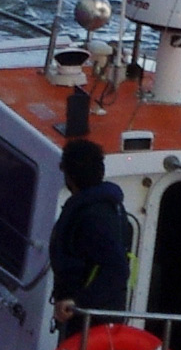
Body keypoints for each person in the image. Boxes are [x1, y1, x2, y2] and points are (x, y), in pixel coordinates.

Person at [47, 137, 131, 334]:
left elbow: (117, 269)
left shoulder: (92, 218)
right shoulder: (109, 208)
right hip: (85, 318)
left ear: (69, 175)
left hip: (91, 323)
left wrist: (78, 303)